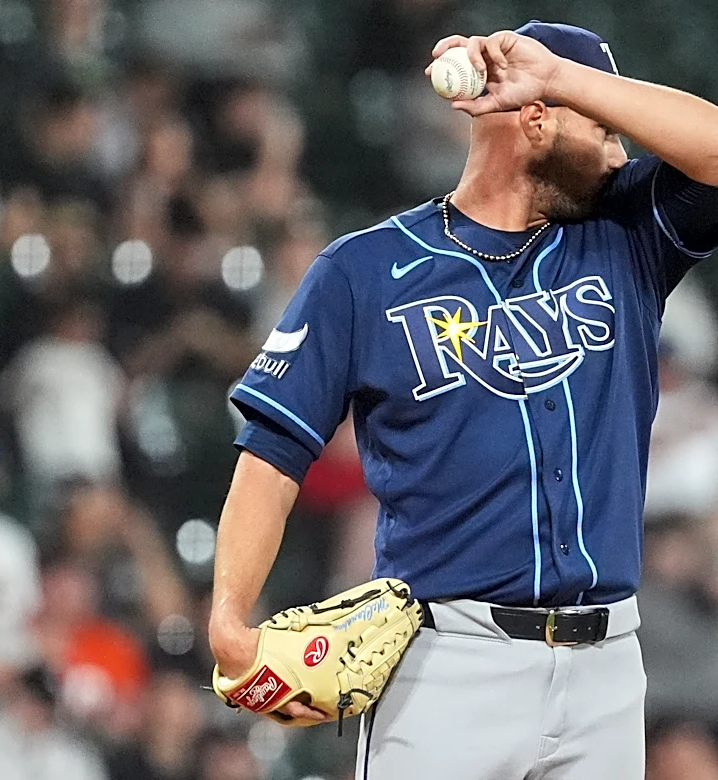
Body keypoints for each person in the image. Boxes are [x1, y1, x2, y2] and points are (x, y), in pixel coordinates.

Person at [209, 21, 718, 780]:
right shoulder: (364, 271)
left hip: (608, 664)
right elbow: (272, 456)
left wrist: (567, 80)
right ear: (536, 121)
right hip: (449, 665)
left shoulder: (627, 232)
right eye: (606, 132)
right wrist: (227, 617)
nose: (622, 152)